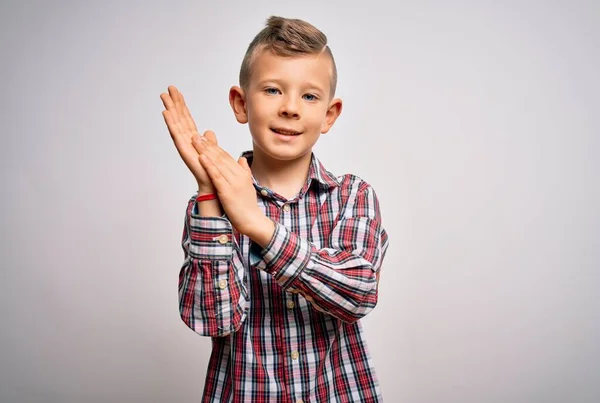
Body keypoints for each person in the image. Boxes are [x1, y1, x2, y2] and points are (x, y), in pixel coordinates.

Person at [160, 16, 389, 403]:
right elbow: (212, 319)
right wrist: (210, 198)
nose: (290, 109)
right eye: (272, 90)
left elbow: (358, 293)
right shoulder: (209, 210)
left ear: (329, 115)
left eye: (309, 96)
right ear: (241, 102)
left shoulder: (352, 195)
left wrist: (259, 227)